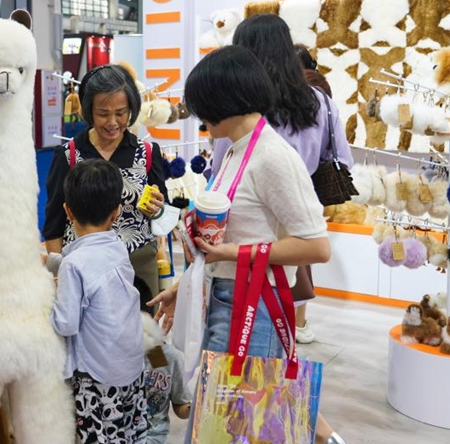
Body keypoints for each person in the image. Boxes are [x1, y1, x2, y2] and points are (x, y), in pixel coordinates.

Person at [149, 45, 332, 444]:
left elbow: (316, 246)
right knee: (217, 423)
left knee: (233, 427)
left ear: (224, 100)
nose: (199, 118)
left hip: (256, 308)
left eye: (202, 106)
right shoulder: (235, 150)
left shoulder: (272, 157)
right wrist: (187, 285)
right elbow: (235, 235)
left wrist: (233, 254)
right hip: (227, 299)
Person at [210, 15, 354, 347]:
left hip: (247, 235)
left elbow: (221, 172)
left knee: (245, 327)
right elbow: (343, 159)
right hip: (297, 218)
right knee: (281, 304)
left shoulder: (240, 109)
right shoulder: (320, 102)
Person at [43, 64, 168, 298]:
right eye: (103, 113)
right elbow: (53, 224)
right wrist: (60, 276)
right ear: (89, 111)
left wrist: (160, 210)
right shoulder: (69, 156)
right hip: (82, 268)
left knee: (142, 332)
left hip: (138, 267)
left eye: (120, 113)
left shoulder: (148, 153)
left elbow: (166, 220)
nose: (112, 122)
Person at [49, 159, 147, 444]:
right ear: (117, 212)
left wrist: (44, 308)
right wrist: (53, 262)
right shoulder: (117, 246)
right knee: (127, 434)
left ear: (67, 210)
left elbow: (66, 323)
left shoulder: (74, 266)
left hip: (97, 380)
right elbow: (94, 269)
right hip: (130, 368)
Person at [141, 313, 189, 444]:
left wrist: (195, 406)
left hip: (152, 435)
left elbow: (181, 405)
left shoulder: (161, 355)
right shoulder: (114, 354)